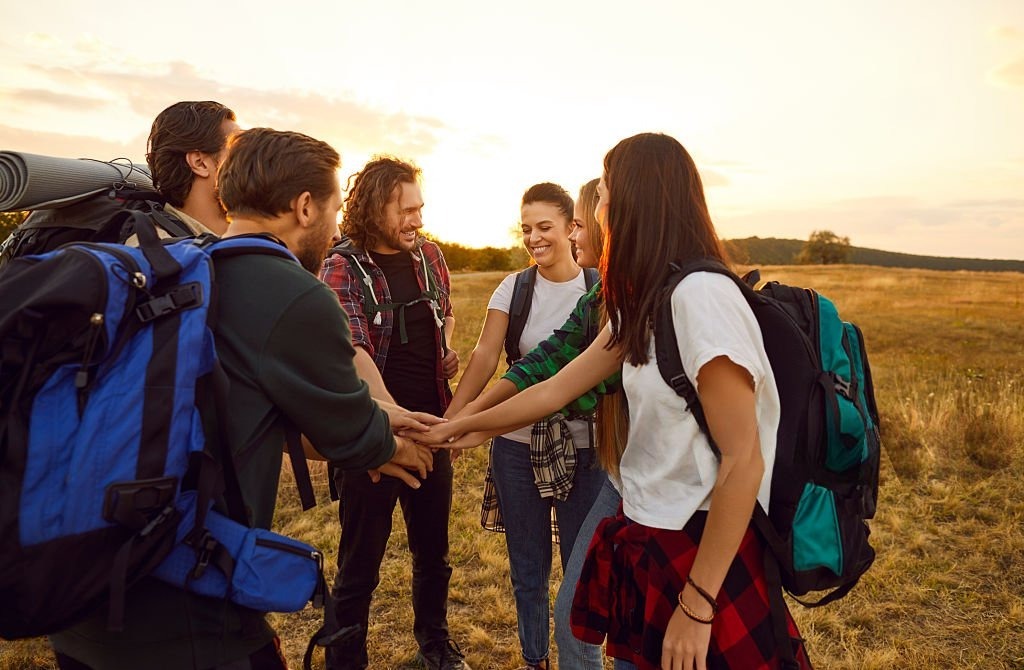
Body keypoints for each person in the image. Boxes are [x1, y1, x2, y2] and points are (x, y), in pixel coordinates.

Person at [420, 133, 812, 669]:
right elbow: (556, 386)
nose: (596, 209)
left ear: (637, 202)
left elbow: (744, 461)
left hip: (704, 545)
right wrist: (457, 428)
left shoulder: (702, 298)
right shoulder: (643, 303)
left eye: (603, 195)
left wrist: (698, 606)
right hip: (650, 530)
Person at [48, 127, 434, 670]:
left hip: (89, 591)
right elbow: (347, 432)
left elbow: (265, 411)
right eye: (330, 205)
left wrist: (382, 417)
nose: (332, 221)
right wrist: (404, 447)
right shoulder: (296, 291)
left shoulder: (179, 271)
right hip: (185, 612)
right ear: (304, 207)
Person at [451, 179, 623, 670]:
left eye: (544, 226)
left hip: (584, 448)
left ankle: (579, 656)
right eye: (526, 228)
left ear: (573, 228)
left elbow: (557, 374)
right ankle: (535, 659)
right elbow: (489, 358)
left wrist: (464, 425)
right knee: (527, 568)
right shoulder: (516, 287)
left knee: (579, 567)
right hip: (515, 446)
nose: (534, 238)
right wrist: (457, 420)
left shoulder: (598, 289)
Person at [318, 156, 468, 670]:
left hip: (432, 431)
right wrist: (396, 424)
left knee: (435, 555)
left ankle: (435, 643)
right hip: (373, 435)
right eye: (406, 210)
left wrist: (443, 349)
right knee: (360, 563)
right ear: (374, 205)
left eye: (420, 209)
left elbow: (444, 313)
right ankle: (345, 658)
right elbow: (354, 349)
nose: (417, 221)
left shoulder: (431, 256)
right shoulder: (342, 265)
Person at [145, 100, 240, 235]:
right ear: (199, 163)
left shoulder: (250, 239)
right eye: (237, 148)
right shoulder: (155, 248)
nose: (247, 159)